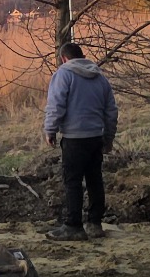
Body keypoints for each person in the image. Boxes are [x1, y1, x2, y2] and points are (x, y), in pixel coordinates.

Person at [43, 40, 118, 240]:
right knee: (95, 180)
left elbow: (56, 105)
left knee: (73, 181)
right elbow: (111, 110)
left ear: (63, 58)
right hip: (95, 137)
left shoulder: (63, 74)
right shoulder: (100, 77)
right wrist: (108, 137)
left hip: (74, 138)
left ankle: (73, 225)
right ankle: (95, 223)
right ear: (82, 56)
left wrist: (50, 130)